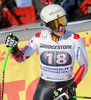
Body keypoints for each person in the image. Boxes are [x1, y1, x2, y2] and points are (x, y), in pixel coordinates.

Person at [5, 4, 88, 100]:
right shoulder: (39, 38)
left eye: (62, 21)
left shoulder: (74, 38)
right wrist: (14, 48)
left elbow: (84, 65)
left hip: (66, 86)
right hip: (46, 87)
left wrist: (71, 86)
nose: (60, 27)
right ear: (46, 25)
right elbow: (20, 58)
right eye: (55, 24)